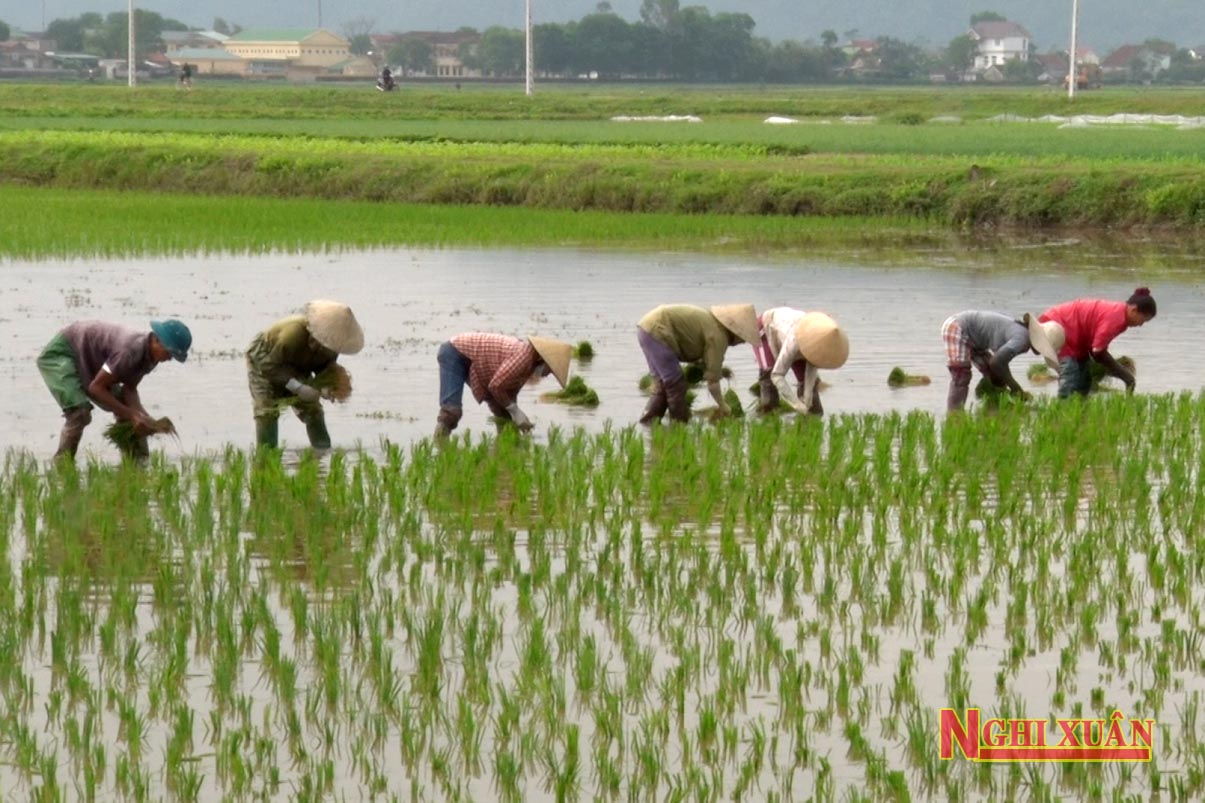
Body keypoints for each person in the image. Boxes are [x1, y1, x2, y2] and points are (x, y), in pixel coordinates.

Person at [37, 318, 192, 460]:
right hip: (65, 351)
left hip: (90, 357)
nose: (170, 358)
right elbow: (96, 387)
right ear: (157, 340)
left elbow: (129, 389)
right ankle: (62, 465)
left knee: (127, 412)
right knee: (79, 413)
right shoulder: (130, 352)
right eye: (169, 353)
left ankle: (138, 462)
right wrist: (132, 414)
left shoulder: (151, 357)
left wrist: (144, 418)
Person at [246, 300, 363, 449]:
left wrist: (326, 388)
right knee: (267, 410)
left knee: (313, 410)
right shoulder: (292, 334)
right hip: (265, 359)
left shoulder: (333, 345)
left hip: (299, 364)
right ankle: (267, 457)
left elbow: (324, 366)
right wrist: (297, 387)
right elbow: (269, 366)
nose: (323, 346)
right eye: (320, 341)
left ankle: (322, 454)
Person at [637, 303, 759, 424]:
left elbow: (702, 357)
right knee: (675, 384)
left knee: (662, 386)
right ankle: (679, 426)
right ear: (735, 331)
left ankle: (648, 423)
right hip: (659, 330)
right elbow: (712, 382)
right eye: (743, 338)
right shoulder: (719, 336)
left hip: (646, 328)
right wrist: (723, 405)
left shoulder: (712, 323)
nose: (742, 342)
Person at [434, 333, 572, 437]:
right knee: (451, 412)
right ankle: (439, 448)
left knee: (505, 417)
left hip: (477, 363)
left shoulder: (528, 366)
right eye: (550, 370)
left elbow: (507, 393)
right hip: (455, 352)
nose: (548, 374)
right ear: (543, 359)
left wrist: (515, 417)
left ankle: (504, 448)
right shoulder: (523, 358)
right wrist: (516, 411)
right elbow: (496, 386)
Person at [1038, 288, 1156, 398]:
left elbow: (1096, 348)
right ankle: (1062, 409)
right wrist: (1125, 376)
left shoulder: (1121, 315)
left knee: (1084, 380)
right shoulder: (1115, 318)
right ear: (1134, 310)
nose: (1141, 325)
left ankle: (1079, 412)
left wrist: (1122, 374)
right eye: (1143, 320)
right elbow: (1098, 353)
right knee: (1071, 375)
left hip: (1076, 336)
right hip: (1058, 328)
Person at [942, 310, 1063, 411]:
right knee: (961, 375)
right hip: (958, 328)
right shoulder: (1022, 339)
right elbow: (997, 362)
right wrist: (1016, 389)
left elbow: (997, 363)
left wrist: (1008, 384)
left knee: (995, 376)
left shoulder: (1022, 334)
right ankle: (954, 416)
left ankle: (993, 408)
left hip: (974, 338)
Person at [753, 308, 849, 415]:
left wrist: (807, 399)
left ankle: (809, 419)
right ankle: (768, 415)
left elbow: (811, 368)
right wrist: (796, 404)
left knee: (813, 406)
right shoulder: (793, 341)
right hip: (766, 328)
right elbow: (777, 375)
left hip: (792, 334)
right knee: (768, 374)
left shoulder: (819, 342)